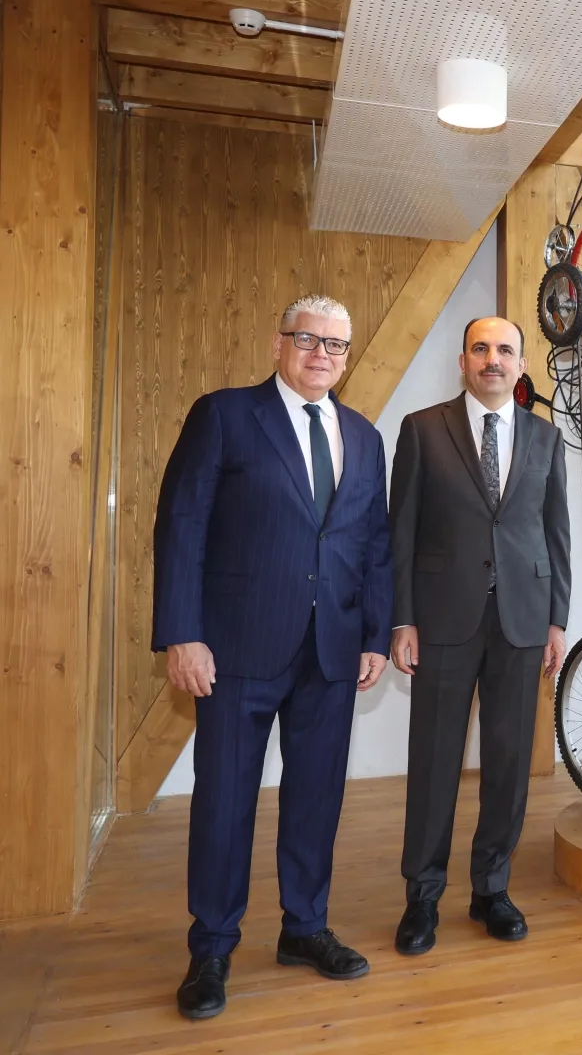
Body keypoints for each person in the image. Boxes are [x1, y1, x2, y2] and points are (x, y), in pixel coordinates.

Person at [152, 295, 392, 1020]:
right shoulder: (225, 415)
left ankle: (305, 928)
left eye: (335, 345)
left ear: (346, 357)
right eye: (307, 339)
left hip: (331, 652)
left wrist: (375, 634)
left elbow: (374, 545)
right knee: (225, 802)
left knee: (317, 797)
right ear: (278, 344)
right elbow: (181, 525)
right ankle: (212, 948)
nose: (322, 354)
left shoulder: (364, 437)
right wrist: (182, 633)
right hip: (235, 647)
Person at [390, 315, 571, 956]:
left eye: (505, 350)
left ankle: (492, 888)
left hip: (522, 620)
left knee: (509, 761)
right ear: (463, 361)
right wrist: (402, 619)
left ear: (521, 364)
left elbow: (556, 535)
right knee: (434, 760)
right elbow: (400, 532)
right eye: (481, 348)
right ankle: (422, 896)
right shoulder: (422, 430)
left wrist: (557, 620)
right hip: (442, 618)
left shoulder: (547, 438)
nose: (493, 359)